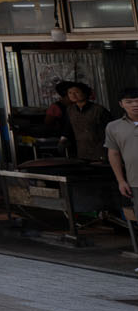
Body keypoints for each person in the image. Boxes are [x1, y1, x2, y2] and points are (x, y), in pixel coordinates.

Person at [106, 88, 138, 267]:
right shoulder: (114, 127)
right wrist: (121, 180)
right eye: (129, 102)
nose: (135, 105)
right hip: (135, 181)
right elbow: (114, 154)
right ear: (121, 104)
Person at [56, 81, 111, 163]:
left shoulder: (98, 110)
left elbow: (110, 129)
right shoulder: (70, 110)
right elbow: (68, 127)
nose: (73, 95)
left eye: (76, 92)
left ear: (85, 93)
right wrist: (62, 140)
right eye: (70, 93)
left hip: (100, 149)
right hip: (81, 150)